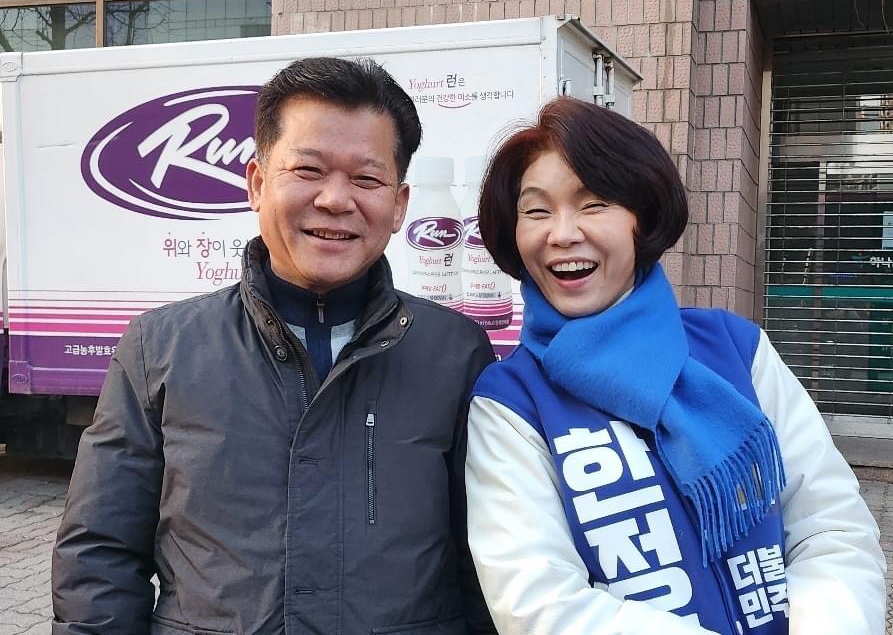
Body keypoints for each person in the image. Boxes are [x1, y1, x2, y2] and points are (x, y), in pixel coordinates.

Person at [52, 57, 496, 635]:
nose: (335, 199)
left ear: (400, 204)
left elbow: (488, 562)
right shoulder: (160, 348)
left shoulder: (455, 352)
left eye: (367, 179)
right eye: (308, 170)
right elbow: (99, 557)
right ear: (257, 183)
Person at [465, 97, 886, 635]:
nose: (562, 233)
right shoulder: (512, 400)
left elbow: (830, 527)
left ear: (641, 219)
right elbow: (541, 604)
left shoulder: (734, 348)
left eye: (594, 204)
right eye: (537, 211)